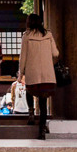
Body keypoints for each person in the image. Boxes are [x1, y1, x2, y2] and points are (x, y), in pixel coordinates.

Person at [18, 12, 63, 140]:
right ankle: (42, 130)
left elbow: (23, 57)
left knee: (29, 91)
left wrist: (20, 73)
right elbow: (55, 53)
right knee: (43, 102)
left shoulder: (26, 37)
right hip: (47, 74)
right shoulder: (48, 35)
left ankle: (31, 113)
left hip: (33, 73)